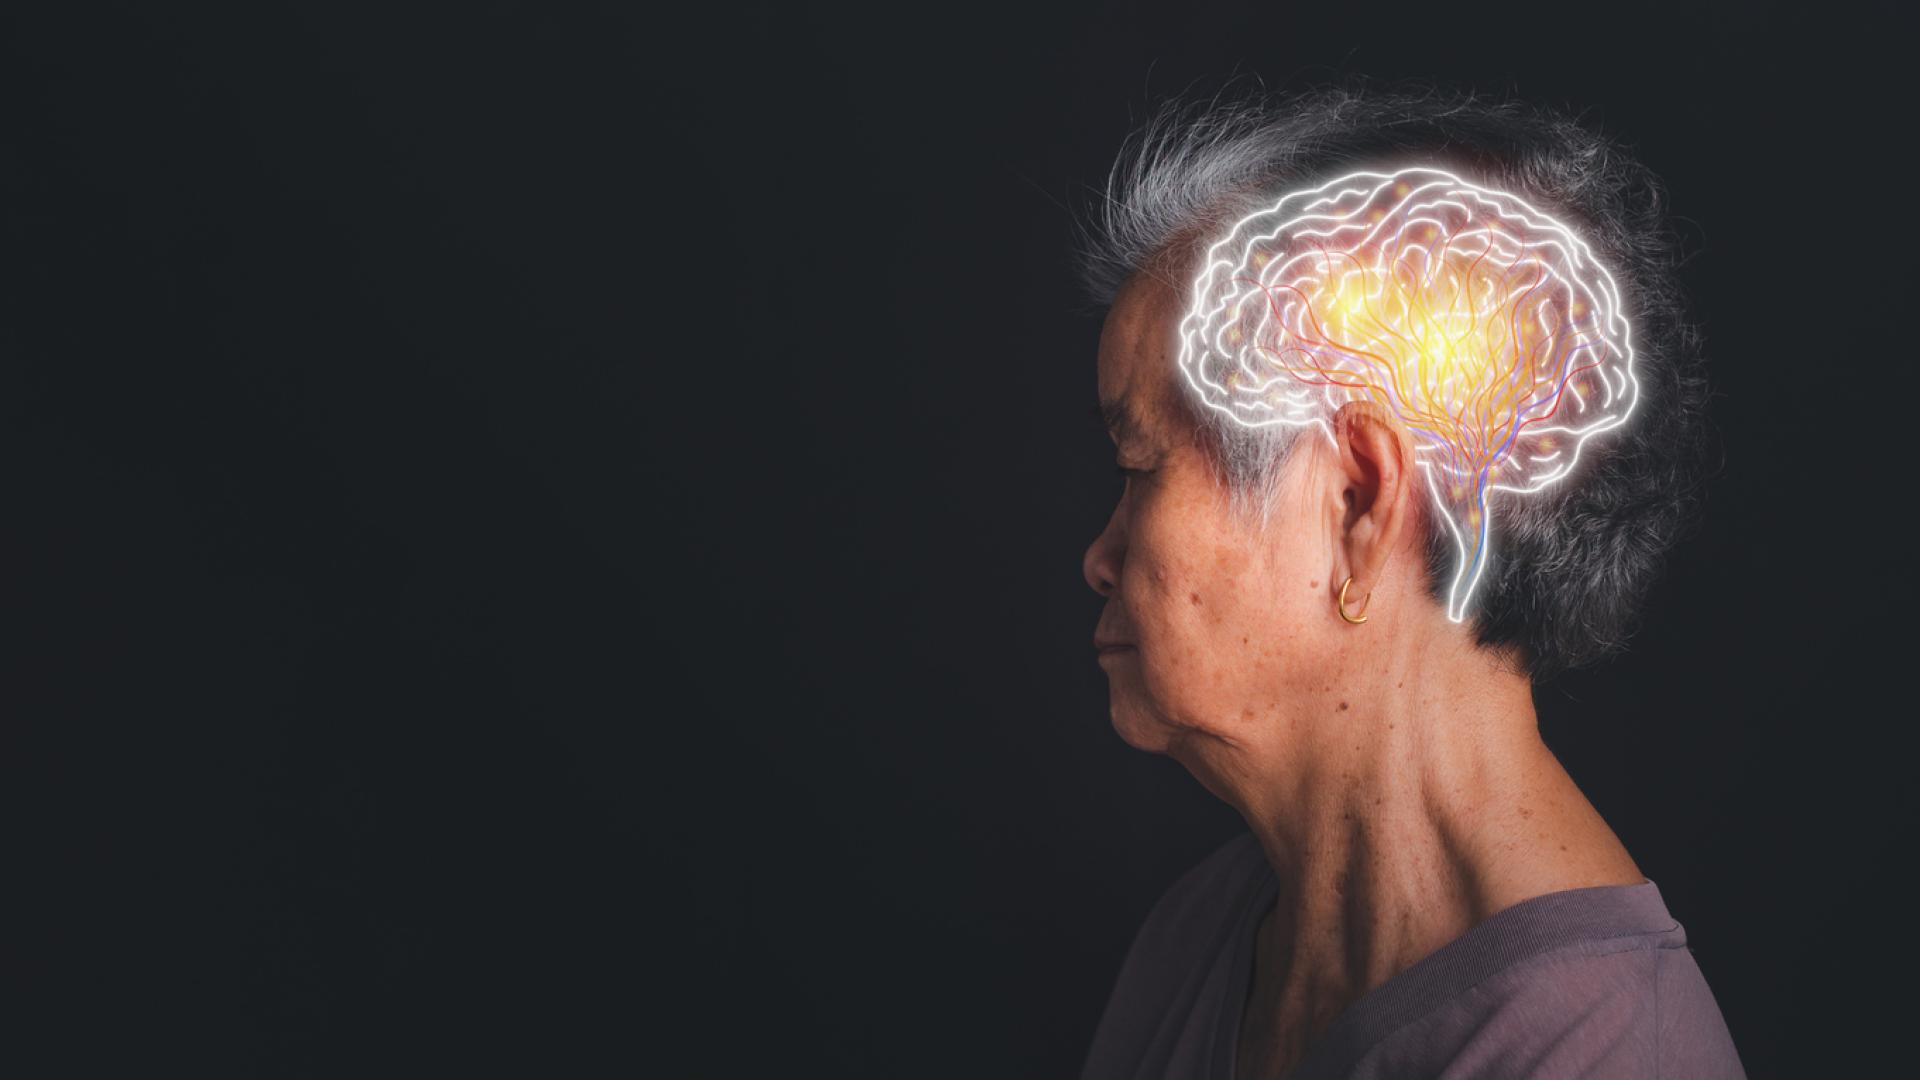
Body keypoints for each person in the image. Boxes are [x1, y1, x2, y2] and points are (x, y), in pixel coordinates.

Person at [1075, 87, 1745, 1079]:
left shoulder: (1602, 1057)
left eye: (1140, 468)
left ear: (1357, 506)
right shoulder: (1203, 935)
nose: (1099, 554)